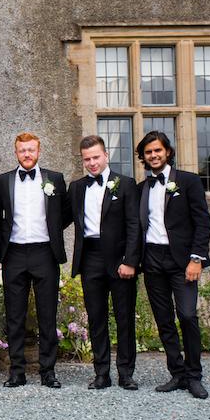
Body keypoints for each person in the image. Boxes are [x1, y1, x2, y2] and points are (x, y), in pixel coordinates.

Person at [137, 131, 210, 399]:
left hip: (182, 261)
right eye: (148, 152)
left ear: (167, 152)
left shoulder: (189, 181)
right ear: (143, 157)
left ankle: (194, 375)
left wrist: (196, 259)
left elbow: (203, 223)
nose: (153, 155)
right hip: (152, 259)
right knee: (164, 319)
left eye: (157, 150)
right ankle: (177, 373)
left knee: (188, 315)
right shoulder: (141, 188)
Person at [0, 132, 71, 388]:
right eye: (22, 150)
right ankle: (17, 371)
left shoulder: (54, 179)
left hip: (45, 253)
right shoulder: (3, 181)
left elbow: (65, 213)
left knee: (47, 315)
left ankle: (48, 371)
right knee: (14, 315)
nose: (27, 154)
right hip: (14, 253)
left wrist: (52, 232)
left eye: (31, 150)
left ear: (39, 151)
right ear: (16, 152)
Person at [67, 135, 140, 391]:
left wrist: (130, 260)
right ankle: (101, 373)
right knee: (96, 318)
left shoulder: (126, 184)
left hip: (120, 260)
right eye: (87, 159)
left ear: (106, 156)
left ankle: (126, 373)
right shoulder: (76, 187)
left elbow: (134, 225)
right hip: (90, 258)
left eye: (96, 157)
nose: (92, 163)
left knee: (124, 318)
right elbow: (61, 217)